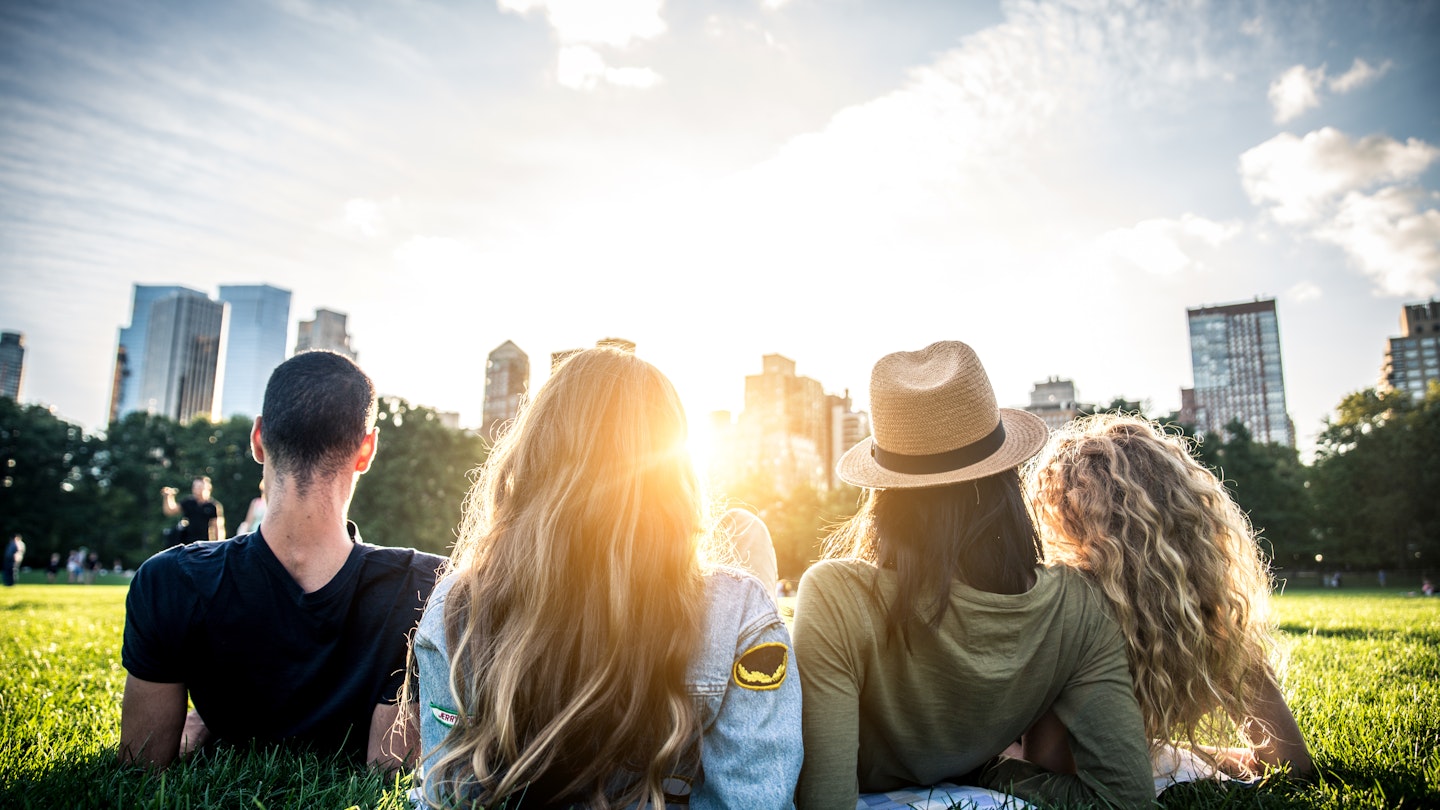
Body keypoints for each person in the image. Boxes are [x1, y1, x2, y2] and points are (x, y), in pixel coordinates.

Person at [409, 348, 801, 809]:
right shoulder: (739, 613)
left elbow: (448, 799)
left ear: (533, 457)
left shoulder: (456, 608)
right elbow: (753, 800)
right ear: (676, 475)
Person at [793, 341, 1151, 809]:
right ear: (1007, 475)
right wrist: (989, 772)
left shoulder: (837, 596)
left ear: (885, 495)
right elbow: (1125, 800)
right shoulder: (1080, 608)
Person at [120, 350, 444, 770]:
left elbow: (140, 765)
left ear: (258, 438)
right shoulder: (427, 583)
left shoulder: (166, 580)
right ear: (367, 450)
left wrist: (206, 723)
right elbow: (391, 766)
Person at [1024, 413, 1312, 789]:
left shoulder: (1074, 609)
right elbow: (1292, 763)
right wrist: (1176, 753)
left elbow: (1045, 759)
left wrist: (1167, 752)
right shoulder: (1212, 614)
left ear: (1065, 522)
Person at [161, 476, 225, 544]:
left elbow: (218, 527)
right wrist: (168, 497)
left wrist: (218, 545)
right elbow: (170, 511)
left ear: (207, 488)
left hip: (205, 544)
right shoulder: (189, 502)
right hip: (188, 544)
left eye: (199, 487)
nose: (196, 489)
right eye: (194, 486)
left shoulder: (213, 506)